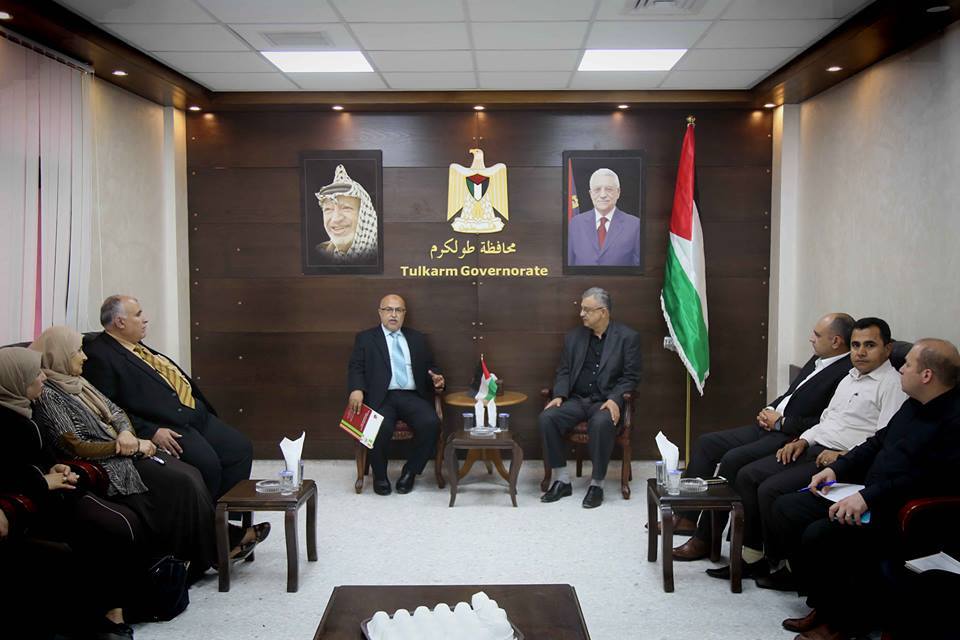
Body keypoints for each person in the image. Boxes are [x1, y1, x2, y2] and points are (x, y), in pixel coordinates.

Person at [30, 326, 268, 574]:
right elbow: (73, 444)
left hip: (127, 448)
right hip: (110, 462)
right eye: (77, 351)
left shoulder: (78, 381)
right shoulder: (49, 394)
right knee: (183, 482)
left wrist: (125, 432)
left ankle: (218, 543)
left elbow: (116, 411)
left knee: (191, 474)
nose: (84, 356)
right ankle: (215, 549)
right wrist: (124, 445)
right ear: (59, 355)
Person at [771, 338, 960, 639]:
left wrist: (867, 497)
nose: (901, 369)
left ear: (927, 375)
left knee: (820, 534)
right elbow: (876, 443)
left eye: (907, 364)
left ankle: (842, 623)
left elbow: (924, 480)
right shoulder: (913, 403)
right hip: (868, 491)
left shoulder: (953, 421)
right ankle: (822, 603)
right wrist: (836, 470)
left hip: (904, 511)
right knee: (788, 508)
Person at [705, 317, 907, 586]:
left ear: (888, 348)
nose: (860, 352)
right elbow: (826, 420)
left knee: (770, 489)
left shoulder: (892, 385)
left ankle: (786, 564)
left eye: (869, 345)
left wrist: (843, 455)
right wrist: (802, 440)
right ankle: (751, 556)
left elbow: (884, 440)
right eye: (856, 345)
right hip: (815, 445)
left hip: (841, 458)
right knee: (748, 475)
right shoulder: (849, 378)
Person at [672, 313, 853, 560]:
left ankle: (706, 538)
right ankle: (686, 516)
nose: (811, 338)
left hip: (790, 436)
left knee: (733, 459)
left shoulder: (846, 373)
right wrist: (769, 409)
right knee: (707, 443)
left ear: (836, 341)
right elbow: (791, 394)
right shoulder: (818, 359)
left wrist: (781, 422)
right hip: (770, 426)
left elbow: (823, 421)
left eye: (817, 335)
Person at [0, 346, 143, 640]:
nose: (43, 377)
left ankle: (115, 610)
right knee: (104, 530)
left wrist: (55, 467)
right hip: (33, 504)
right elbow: (9, 471)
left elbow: (42, 455)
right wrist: (43, 481)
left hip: (53, 492)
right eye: (35, 374)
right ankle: (99, 618)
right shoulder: (5, 420)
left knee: (120, 523)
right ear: (16, 379)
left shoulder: (26, 409)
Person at [82, 295, 253, 500]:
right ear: (120, 322)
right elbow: (107, 407)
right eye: (138, 315)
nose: (145, 319)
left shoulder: (135, 345)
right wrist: (150, 431)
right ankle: (209, 518)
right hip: (168, 425)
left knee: (240, 449)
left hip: (195, 414)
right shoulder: (99, 355)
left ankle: (228, 516)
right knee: (209, 466)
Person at [539, 287, 641, 508]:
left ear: (603, 312)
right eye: (581, 309)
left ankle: (597, 485)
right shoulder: (574, 337)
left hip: (604, 401)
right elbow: (564, 370)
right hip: (576, 400)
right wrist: (559, 395)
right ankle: (562, 480)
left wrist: (615, 399)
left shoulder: (627, 337)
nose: (581, 314)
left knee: (602, 422)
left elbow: (631, 377)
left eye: (587, 310)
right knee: (547, 418)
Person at [347, 294, 445, 495]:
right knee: (378, 427)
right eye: (388, 310)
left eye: (398, 310)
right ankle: (380, 476)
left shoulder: (417, 338)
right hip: (382, 396)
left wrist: (436, 379)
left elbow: (430, 367)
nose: (393, 314)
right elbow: (356, 367)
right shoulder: (366, 338)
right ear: (380, 313)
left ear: (404, 314)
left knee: (431, 423)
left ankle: (410, 471)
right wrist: (356, 389)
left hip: (411, 395)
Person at [567, 168, 641, 267]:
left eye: (609, 189)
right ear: (591, 194)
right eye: (597, 189)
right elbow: (569, 265)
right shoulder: (575, 224)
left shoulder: (635, 225)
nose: (602, 195)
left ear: (618, 192)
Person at [313, 164, 378, 265]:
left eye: (346, 208)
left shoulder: (382, 253)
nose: (336, 219)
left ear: (364, 214)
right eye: (328, 209)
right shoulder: (319, 254)